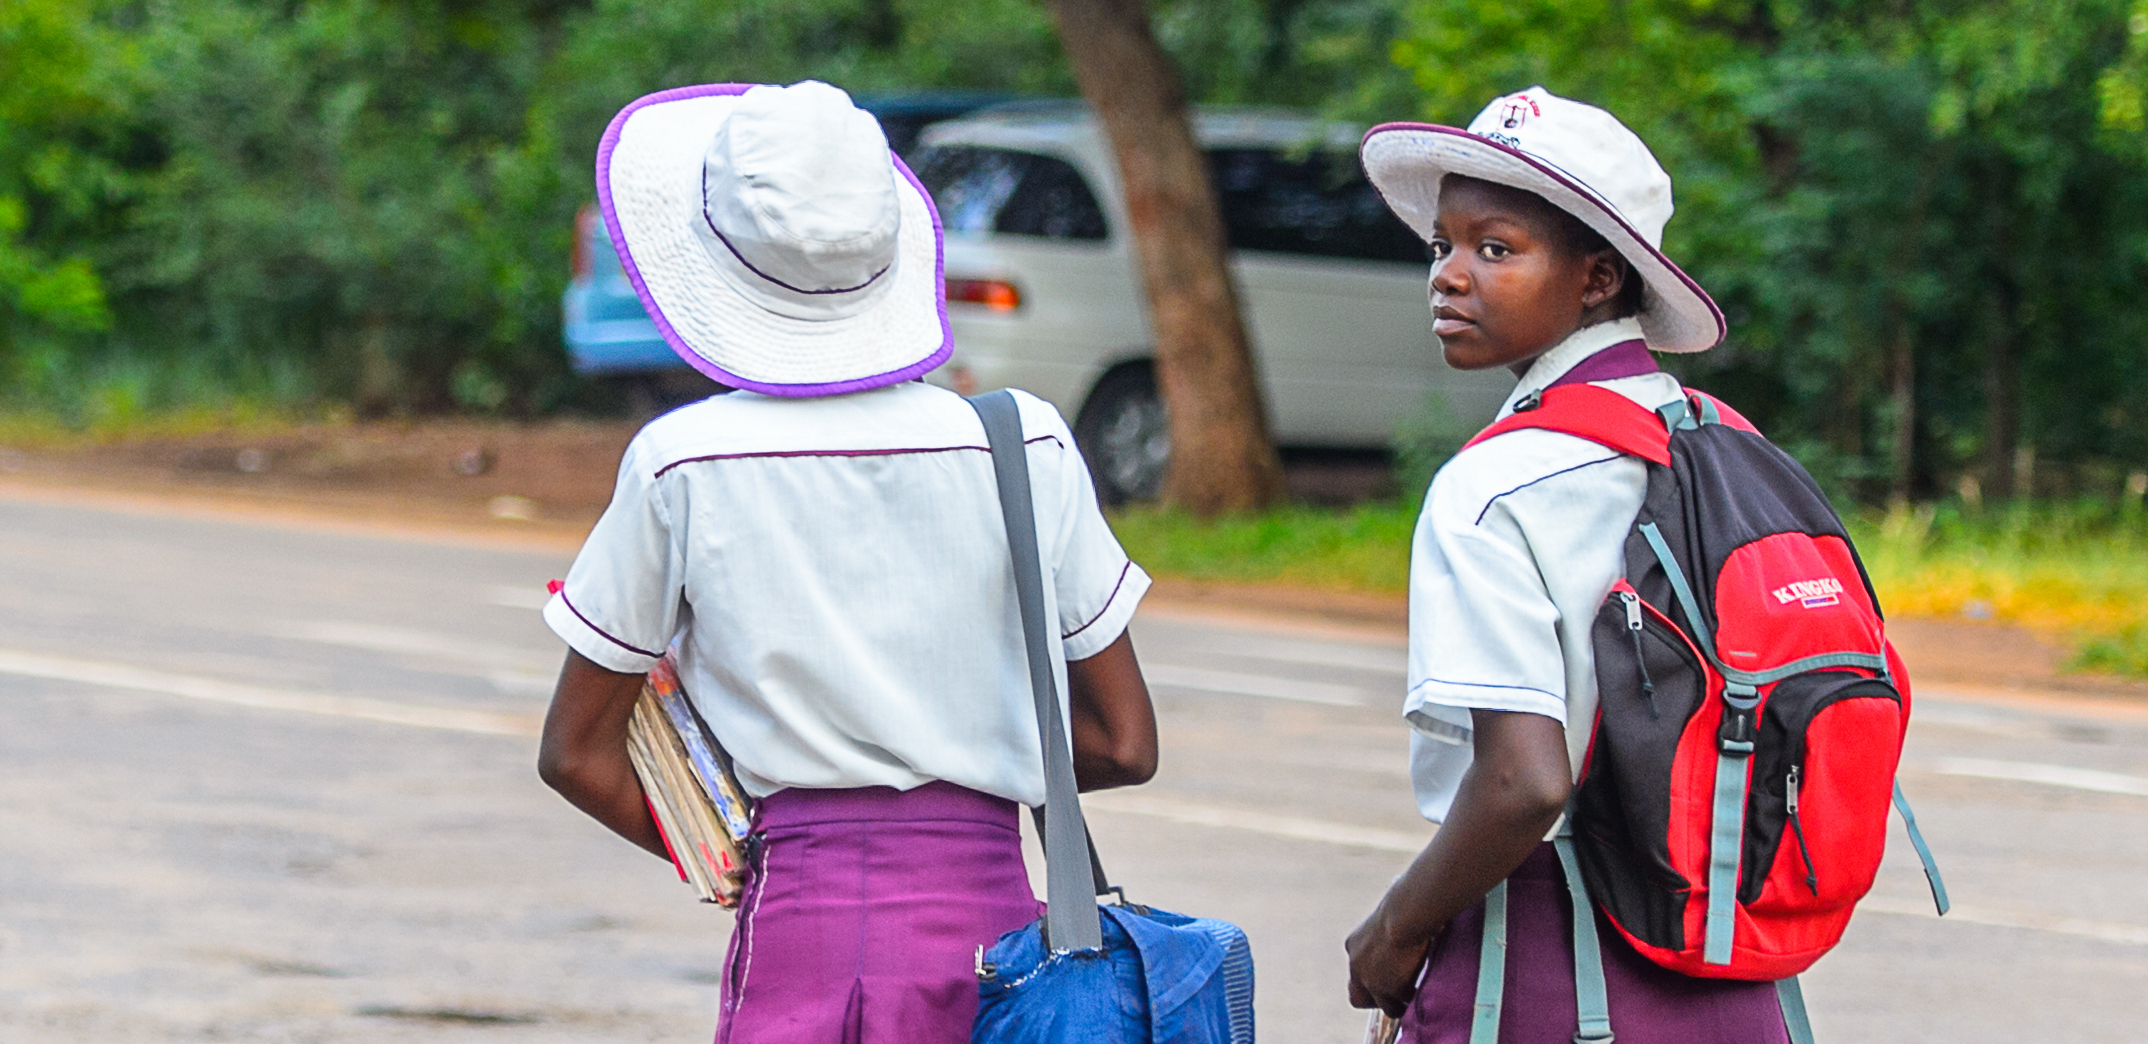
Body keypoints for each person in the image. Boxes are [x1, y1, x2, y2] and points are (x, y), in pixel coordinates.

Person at [534, 80, 1159, 1044]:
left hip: (801, 926)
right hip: (1001, 937)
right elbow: (1123, 743)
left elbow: (576, 752)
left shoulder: (684, 461)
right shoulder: (1020, 442)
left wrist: (725, 851)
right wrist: (965, 757)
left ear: (719, 266)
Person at [1344, 88, 1790, 1042]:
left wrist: (1394, 929)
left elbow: (1525, 784)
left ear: (1596, 279)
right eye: (1443, 246)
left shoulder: (1495, 485)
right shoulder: (1730, 449)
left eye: (1495, 249)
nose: (1451, 277)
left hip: (1550, 963)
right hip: (1735, 970)